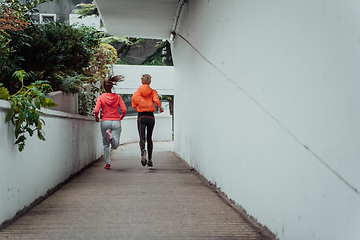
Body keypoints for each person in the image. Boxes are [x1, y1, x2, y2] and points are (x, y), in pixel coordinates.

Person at [94, 75, 127, 169]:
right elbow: (124, 110)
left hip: (105, 122)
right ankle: (111, 138)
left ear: (104, 87)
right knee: (115, 146)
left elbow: (96, 110)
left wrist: (97, 117)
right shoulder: (118, 97)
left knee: (105, 144)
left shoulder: (101, 97)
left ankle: (107, 163)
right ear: (112, 86)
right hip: (116, 121)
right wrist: (121, 117)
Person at [132, 74, 164, 167]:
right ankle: (150, 159)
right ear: (150, 82)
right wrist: (160, 107)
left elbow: (134, 105)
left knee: (142, 138)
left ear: (142, 81)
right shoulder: (153, 92)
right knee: (149, 138)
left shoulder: (136, 93)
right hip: (150, 117)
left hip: (141, 117)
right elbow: (156, 100)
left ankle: (142, 151)